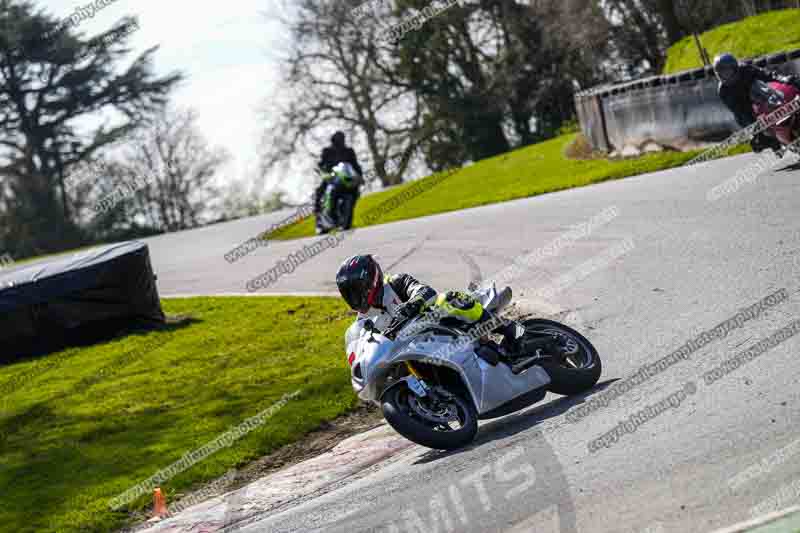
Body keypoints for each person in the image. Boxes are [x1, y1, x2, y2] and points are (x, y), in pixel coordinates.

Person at [334, 255, 575, 362]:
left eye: (357, 289)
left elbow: (424, 291)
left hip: (439, 322)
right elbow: (363, 348)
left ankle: (511, 330)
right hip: (420, 348)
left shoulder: (395, 283)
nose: (354, 297)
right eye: (349, 293)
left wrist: (412, 305)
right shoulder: (363, 322)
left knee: (446, 299)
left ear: (371, 280)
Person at [714, 52, 800, 153]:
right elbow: (738, 111)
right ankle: (776, 143)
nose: (726, 75)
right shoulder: (723, 91)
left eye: (728, 71)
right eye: (722, 72)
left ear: (735, 67)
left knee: (795, 82)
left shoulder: (746, 69)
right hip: (748, 111)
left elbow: (767, 75)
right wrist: (754, 125)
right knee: (758, 142)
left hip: (763, 96)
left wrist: (784, 79)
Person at [315, 131, 363, 217]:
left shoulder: (349, 151)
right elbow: (321, 163)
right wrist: (321, 169)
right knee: (321, 190)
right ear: (333, 140)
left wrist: (360, 176)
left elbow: (355, 164)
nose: (340, 141)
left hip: (347, 176)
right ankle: (318, 209)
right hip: (331, 176)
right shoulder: (327, 151)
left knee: (355, 189)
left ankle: (347, 209)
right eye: (338, 140)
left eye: (342, 139)